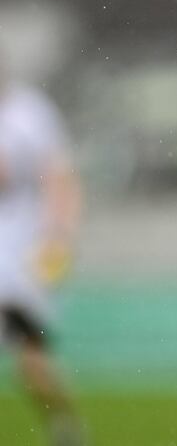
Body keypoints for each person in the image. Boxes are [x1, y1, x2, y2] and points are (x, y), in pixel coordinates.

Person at [0, 67, 85, 446]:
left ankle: (65, 427)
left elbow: (60, 179)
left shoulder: (30, 113)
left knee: (30, 354)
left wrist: (59, 238)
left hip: (21, 250)